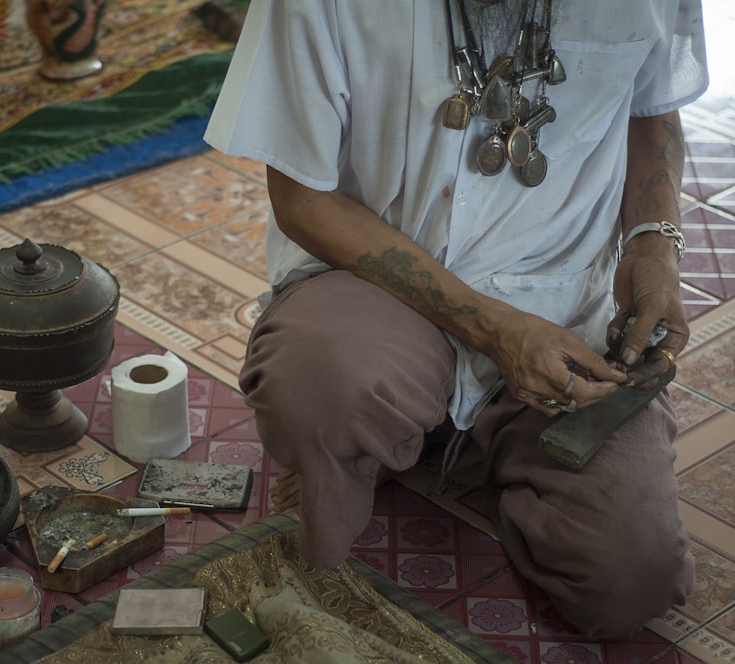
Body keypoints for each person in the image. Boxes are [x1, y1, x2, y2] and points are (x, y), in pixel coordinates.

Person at [204, 0, 709, 640]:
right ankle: (397, 424)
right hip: (378, 289)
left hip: (564, 309)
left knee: (633, 579)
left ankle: (443, 435)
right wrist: (495, 330)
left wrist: (654, 243)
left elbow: (652, 103)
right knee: (321, 385)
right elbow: (303, 199)